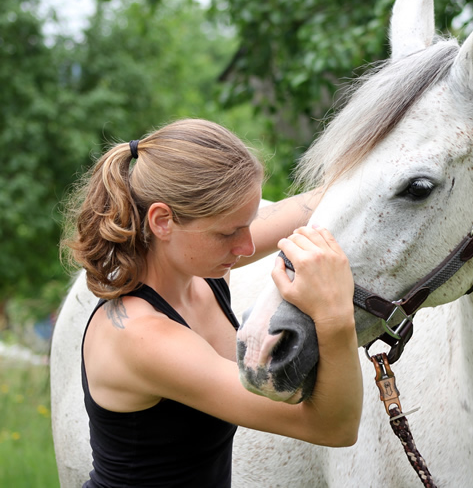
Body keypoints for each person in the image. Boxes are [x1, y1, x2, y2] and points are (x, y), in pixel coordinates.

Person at [60, 119, 362, 488]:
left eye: (248, 224)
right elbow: (333, 428)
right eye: (228, 232)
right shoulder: (141, 337)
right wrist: (334, 314)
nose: (248, 247)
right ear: (162, 221)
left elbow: (312, 205)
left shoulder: (202, 272)